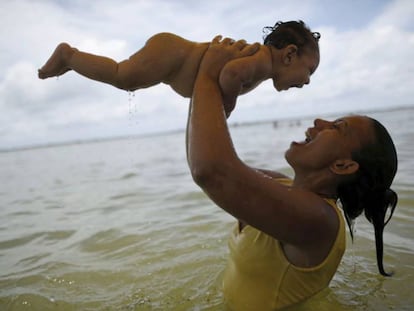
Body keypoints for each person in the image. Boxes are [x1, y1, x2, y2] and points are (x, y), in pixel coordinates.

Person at [186, 36, 398, 310]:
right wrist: (217, 88)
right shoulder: (280, 183)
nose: (319, 122)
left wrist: (205, 75)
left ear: (343, 166)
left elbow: (211, 171)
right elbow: (207, 156)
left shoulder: (320, 221)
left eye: (336, 127)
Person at [38, 21, 320, 116]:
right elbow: (230, 75)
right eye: (310, 71)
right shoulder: (260, 61)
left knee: (125, 78)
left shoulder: (261, 64)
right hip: (171, 54)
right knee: (122, 76)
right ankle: (69, 55)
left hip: (172, 60)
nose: (307, 82)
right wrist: (228, 104)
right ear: (289, 55)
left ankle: (72, 62)